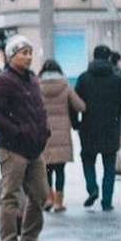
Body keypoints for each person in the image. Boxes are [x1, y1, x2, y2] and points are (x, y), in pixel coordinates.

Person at [0, 34, 50, 241]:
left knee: (40, 194)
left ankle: (29, 237)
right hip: (13, 149)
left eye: (30, 53)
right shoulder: (3, 80)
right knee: (10, 197)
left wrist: (44, 131)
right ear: (12, 56)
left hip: (34, 148)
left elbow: (38, 109)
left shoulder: (32, 79)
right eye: (24, 53)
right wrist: (16, 131)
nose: (29, 57)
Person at [74, 45, 121, 212]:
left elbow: (73, 103)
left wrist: (75, 123)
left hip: (88, 127)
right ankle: (107, 201)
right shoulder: (117, 80)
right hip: (111, 128)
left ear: (93, 57)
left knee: (88, 160)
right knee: (109, 166)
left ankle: (92, 188)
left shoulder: (83, 78)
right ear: (109, 58)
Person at [38, 58, 84, 213]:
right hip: (62, 133)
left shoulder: (36, 87)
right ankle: (58, 202)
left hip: (43, 132)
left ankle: (48, 198)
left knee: (46, 168)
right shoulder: (65, 86)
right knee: (60, 170)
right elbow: (80, 106)